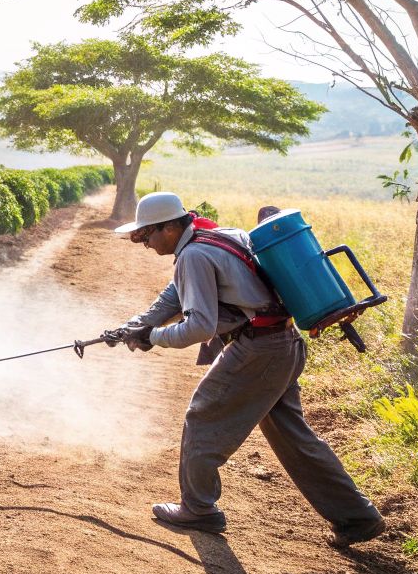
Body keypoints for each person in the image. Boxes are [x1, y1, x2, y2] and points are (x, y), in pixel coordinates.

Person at [105, 192, 385, 548]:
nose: (144, 243)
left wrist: (154, 337)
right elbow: (175, 295)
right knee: (293, 436)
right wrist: (135, 325)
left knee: (203, 416)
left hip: (258, 351)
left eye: (146, 235)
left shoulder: (192, 255)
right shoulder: (220, 235)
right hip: (284, 343)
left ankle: (199, 508)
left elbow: (200, 327)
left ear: (171, 227)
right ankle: (358, 518)